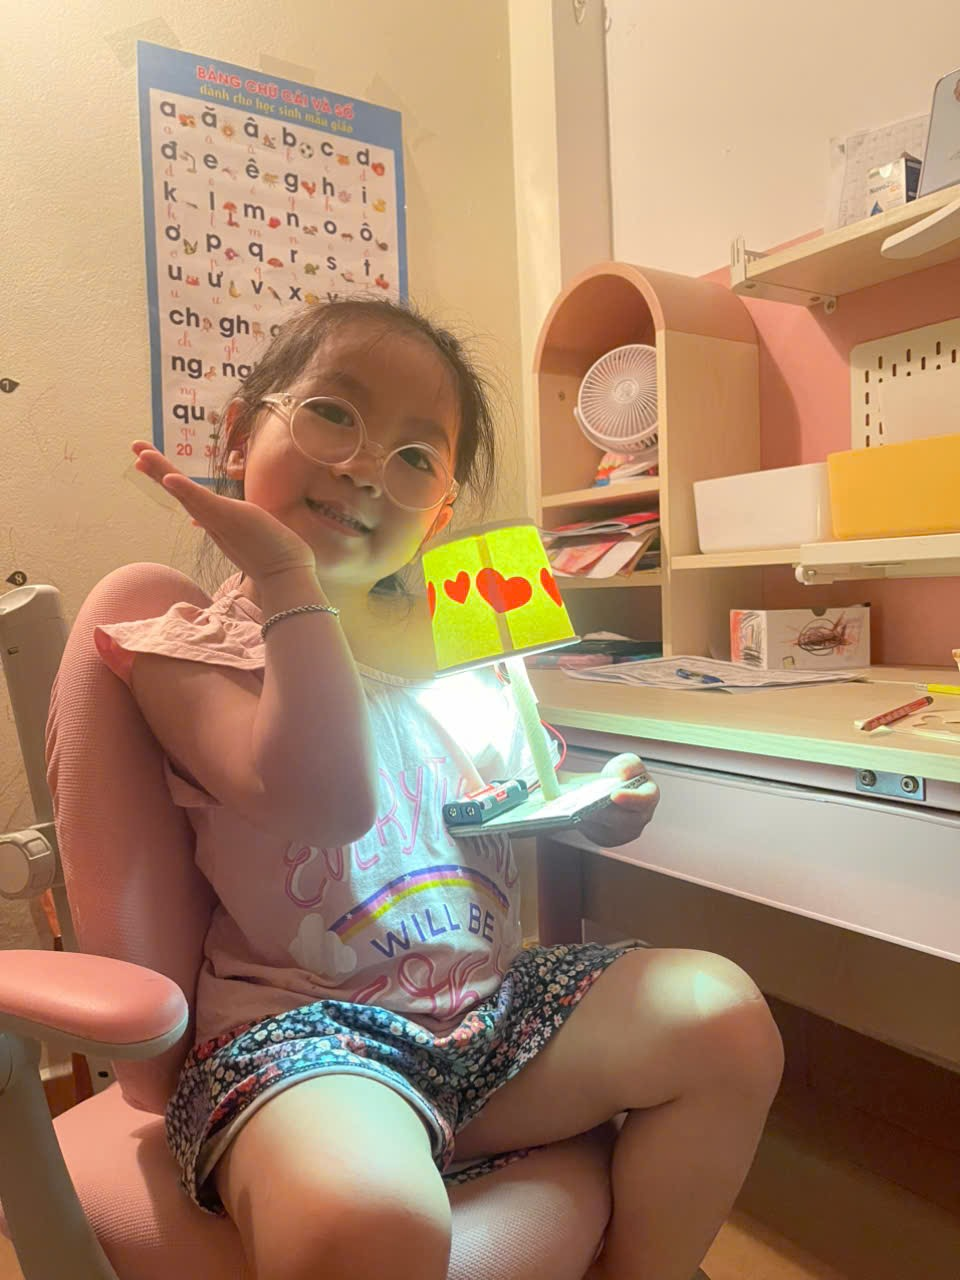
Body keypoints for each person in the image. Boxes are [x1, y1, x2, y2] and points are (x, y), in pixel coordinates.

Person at [95, 298, 783, 1280]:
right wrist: (288, 579)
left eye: (416, 457)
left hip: (493, 1015)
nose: (367, 467)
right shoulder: (193, 647)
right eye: (333, 413)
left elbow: (518, 790)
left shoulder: (456, 652)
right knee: (363, 1222)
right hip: (309, 1039)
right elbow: (325, 804)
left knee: (724, 1020)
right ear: (242, 433)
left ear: (441, 514)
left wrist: (602, 801)